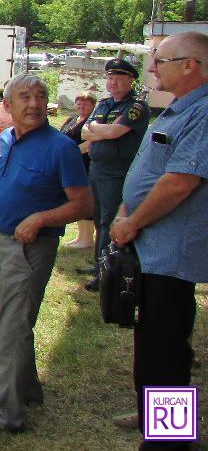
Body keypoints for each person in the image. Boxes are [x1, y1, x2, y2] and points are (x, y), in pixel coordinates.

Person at [0, 73, 91, 435]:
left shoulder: (61, 147)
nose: (34, 103)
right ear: (6, 107)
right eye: (24, 97)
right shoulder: (6, 138)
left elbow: (83, 204)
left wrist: (40, 218)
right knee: (12, 321)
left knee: (12, 326)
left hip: (31, 247)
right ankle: (26, 387)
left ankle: (7, 413)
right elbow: (2, 181)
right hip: (1, 241)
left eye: (40, 96)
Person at [109, 32, 208, 441]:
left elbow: (179, 182)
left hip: (169, 255)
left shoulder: (202, 113)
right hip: (150, 251)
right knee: (151, 345)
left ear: (190, 65)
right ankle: (152, 415)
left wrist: (132, 222)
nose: (152, 67)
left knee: (165, 351)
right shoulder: (179, 110)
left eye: (160, 60)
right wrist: (124, 209)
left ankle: (168, 439)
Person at [79, 57, 149, 291]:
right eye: (110, 78)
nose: (113, 83)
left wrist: (101, 130)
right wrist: (104, 132)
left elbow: (117, 131)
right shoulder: (103, 104)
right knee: (99, 217)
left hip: (116, 171)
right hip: (97, 168)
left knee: (110, 220)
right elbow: (85, 133)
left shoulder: (136, 106)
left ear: (131, 80)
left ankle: (106, 271)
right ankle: (100, 263)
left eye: (119, 78)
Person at [60, 91, 96, 249]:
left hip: (84, 163)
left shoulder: (93, 122)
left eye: (86, 103)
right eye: (79, 103)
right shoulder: (72, 118)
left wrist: (72, 153)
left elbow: (90, 144)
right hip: (70, 164)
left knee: (85, 200)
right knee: (74, 200)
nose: (82, 106)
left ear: (93, 106)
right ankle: (80, 237)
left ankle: (87, 239)